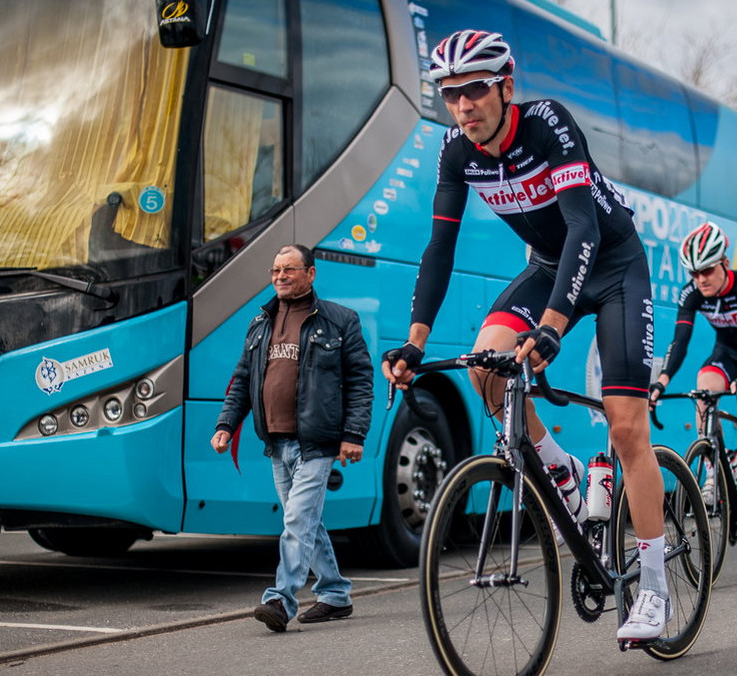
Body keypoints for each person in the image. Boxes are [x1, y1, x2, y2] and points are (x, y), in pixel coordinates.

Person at [381, 30, 670, 642]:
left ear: (506, 87)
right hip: (547, 267)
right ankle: (561, 471)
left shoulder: (547, 125)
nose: (464, 105)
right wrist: (413, 341)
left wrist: (552, 328)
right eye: (451, 93)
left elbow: (581, 225)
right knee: (486, 363)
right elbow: (440, 247)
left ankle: (655, 590)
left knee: (625, 426)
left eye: (476, 90)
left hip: (613, 265)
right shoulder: (456, 152)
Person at [211, 244, 373, 633]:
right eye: (275, 270)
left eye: (289, 269)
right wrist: (226, 425)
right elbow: (241, 380)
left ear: (311, 273)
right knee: (305, 522)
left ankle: (281, 600)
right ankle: (335, 593)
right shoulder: (260, 322)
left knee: (298, 520)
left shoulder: (339, 320)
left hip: (317, 443)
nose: (280, 276)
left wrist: (353, 434)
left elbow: (360, 381)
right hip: (276, 443)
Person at [649, 222, 737, 539]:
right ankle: (714, 470)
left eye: (707, 271)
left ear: (725, 263)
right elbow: (680, 340)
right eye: (694, 273)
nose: (700, 280)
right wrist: (661, 381)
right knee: (704, 391)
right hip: (726, 352)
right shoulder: (692, 293)